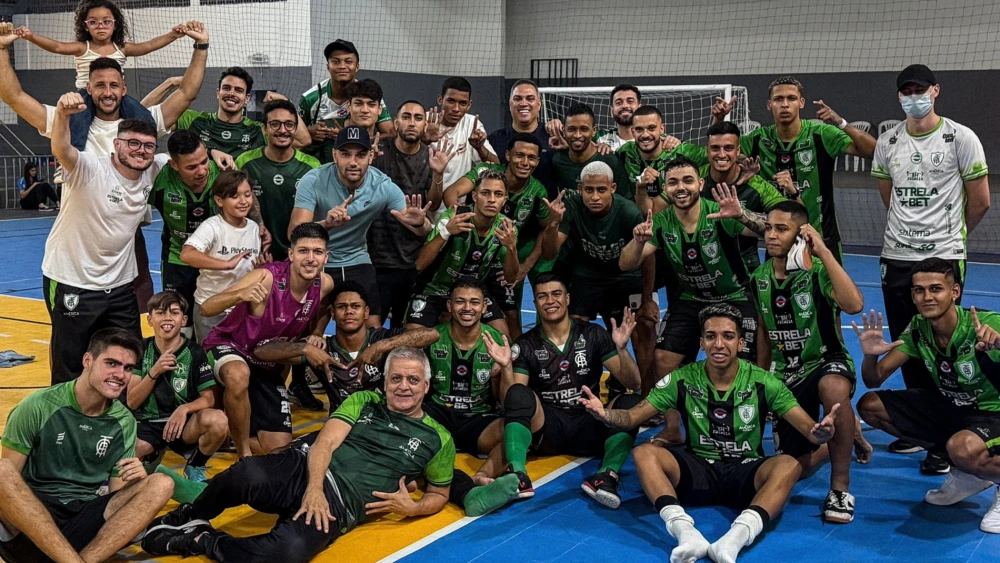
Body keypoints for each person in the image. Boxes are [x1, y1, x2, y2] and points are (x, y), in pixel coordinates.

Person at [140, 348, 458, 563]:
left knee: (287, 553)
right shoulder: (364, 400)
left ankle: (199, 541)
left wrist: (413, 508)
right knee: (244, 473)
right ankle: (188, 514)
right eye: (396, 378)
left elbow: (440, 492)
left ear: (426, 385)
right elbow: (325, 443)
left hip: (342, 505)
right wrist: (314, 489)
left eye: (413, 380)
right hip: (305, 470)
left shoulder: (439, 439)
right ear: (385, 382)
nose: (404, 386)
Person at [579, 304, 838, 563]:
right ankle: (685, 533)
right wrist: (605, 415)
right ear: (701, 342)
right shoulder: (682, 379)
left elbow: (810, 431)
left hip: (744, 471)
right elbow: (632, 417)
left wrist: (823, 434)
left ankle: (733, 540)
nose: (719, 344)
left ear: (740, 342)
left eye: (728, 336)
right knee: (644, 453)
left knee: (789, 465)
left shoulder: (764, 382)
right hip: (697, 469)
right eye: (711, 336)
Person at [871, 64, 991, 469]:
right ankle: (927, 428)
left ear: (935, 91)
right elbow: (891, 199)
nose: (913, 96)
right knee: (909, 342)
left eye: (920, 89)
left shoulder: (962, 137)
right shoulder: (887, 141)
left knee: (946, 338)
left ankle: (962, 424)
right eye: (906, 91)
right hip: (897, 256)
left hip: (943, 254)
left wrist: (949, 242)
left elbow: (981, 200)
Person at [0, 328, 175, 563]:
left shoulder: (124, 422)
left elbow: (116, 504)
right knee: (1, 471)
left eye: (128, 368)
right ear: (87, 360)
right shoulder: (38, 406)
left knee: (161, 483)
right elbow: (8, 488)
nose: (120, 374)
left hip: (81, 522)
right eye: (111, 363)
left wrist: (136, 482)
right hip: (31, 521)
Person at [855, 258, 1000, 533]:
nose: (927, 297)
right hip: (953, 407)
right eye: (919, 290)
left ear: (954, 291)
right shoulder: (919, 328)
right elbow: (873, 380)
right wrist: (869, 357)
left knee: (963, 447)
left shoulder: (984, 323)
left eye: (936, 289)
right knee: (871, 406)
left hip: (994, 413)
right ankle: (968, 474)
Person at [41, 92, 168, 384]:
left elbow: (188, 153)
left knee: (127, 356)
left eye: (148, 146)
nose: (141, 151)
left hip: (120, 286)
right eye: (133, 143)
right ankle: (67, 423)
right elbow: (62, 147)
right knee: (70, 363)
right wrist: (61, 113)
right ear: (117, 144)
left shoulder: (153, 169)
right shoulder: (90, 167)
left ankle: (119, 420)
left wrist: (214, 154)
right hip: (73, 279)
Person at [751, 201, 866, 523]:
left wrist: (824, 252)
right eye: (769, 228)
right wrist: (760, 378)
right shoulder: (758, 278)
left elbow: (855, 304)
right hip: (788, 373)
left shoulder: (819, 271)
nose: (771, 235)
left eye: (781, 229)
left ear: (801, 234)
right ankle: (842, 438)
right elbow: (763, 329)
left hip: (827, 360)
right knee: (794, 468)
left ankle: (840, 490)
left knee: (832, 388)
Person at [619, 157, 765, 392]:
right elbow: (626, 264)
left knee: (742, 363)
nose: (681, 188)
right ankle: (674, 427)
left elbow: (771, 230)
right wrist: (637, 242)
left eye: (688, 180)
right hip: (691, 300)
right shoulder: (660, 222)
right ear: (665, 189)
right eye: (673, 183)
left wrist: (741, 215)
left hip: (734, 296)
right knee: (663, 360)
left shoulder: (721, 212)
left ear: (700, 184)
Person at [501, 273, 643, 507]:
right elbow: (512, 398)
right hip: (548, 429)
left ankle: (605, 477)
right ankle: (518, 475)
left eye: (556, 294)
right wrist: (507, 366)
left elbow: (634, 382)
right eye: (542, 296)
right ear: (535, 303)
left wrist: (622, 349)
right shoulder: (525, 344)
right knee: (518, 392)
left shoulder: (593, 334)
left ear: (567, 299)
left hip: (590, 422)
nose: (550, 301)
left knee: (631, 403)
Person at [201, 223, 335, 458]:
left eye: (317, 252)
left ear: (326, 257)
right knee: (238, 374)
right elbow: (206, 308)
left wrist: (316, 333)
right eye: (303, 251)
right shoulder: (266, 277)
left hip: (266, 357)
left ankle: (230, 433)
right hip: (231, 346)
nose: (311, 258)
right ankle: (244, 455)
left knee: (277, 447)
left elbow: (324, 309)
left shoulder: (324, 284)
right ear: (291, 254)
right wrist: (239, 294)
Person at [290, 125, 433, 329]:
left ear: (371, 156)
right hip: (318, 259)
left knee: (373, 324)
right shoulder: (313, 180)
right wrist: (326, 225)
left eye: (361, 155)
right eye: (346, 154)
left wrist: (421, 223)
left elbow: (422, 230)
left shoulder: (382, 185)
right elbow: (294, 232)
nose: (353, 162)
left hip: (356, 258)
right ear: (334, 155)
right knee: (308, 327)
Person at [728, 76, 876, 263]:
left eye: (791, 98)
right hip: (778, 241)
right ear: (769, 105)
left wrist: (840, 122)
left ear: (801, 103)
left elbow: (873, 151)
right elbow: (721, 153)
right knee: (778, 292)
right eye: (778, 99)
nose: (785, 104)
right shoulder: (758, 139)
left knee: (829, 293)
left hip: (821, 239)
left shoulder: (821, 135)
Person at [255, 281, 439, 412]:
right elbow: (262, 351)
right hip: (341, 427)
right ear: (332, 314)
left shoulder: (381, 338)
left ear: (366, 312)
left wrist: (382, 346)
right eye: (342, 307)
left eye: (355, 306)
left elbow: (432, 334)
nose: (349, 311)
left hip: (383, 422)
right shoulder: (321, 348)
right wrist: (304, 349)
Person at [444, 133, 551, 341]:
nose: (525, 162)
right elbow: (452, 192)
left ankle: (516, 365)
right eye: (520, 155)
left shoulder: (537, 191)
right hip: (467, 253)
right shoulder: (487, 173)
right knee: (449, 311)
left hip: (500, 260)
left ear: (537, 162)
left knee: (511, 317)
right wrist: (458, 216)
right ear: (508, 155)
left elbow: (546, 230)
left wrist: (524, 267)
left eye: (531, 158)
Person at [125, 292, 227, 483]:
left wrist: (184, 408)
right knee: (124, 453)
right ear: (149, 320)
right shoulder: (141, 349)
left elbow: (209, 399)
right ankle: (152, 454)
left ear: (184, 319)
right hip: (149, 423)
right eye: (160, 313)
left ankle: (195, 465)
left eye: (174, 313)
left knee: (218, 421)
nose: (167, 318)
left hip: (183, 424)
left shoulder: (195, 352)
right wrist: (154, 371)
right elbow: (132, 401)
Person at [369, 100, 456, 325]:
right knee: (372, 328)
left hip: (413, 258)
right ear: (395, 122)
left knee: (404, 328)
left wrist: (438, 175)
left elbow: (434, 205)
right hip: (377, 257)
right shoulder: (378, 152)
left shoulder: (430, 157)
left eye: (418, 118)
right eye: (406, 117)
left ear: (425, 125)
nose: (412, 122)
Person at [403, 170, 519, 337]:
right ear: (474, 196)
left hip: (473, 292)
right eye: (485, 193)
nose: (492, 199)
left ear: (504, 201)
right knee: (412, 338)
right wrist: (446, 232)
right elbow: (420, 264)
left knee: (503, 338)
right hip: (436, 290)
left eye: (498, 194)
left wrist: (511, 248)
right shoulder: (454, 217)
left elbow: (510, 278)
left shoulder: (506, 228)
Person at [421, 282, 512, 484]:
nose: (467, 308)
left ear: (485, 307)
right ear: (449, 306)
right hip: (438, 416)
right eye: (460, 301)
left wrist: (505, 369)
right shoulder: (433, 336)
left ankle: (482, 476)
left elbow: (506, 402)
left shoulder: (497, 340)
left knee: (515, 430)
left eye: (474, 302)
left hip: (478, 420)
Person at [16, 0, 186, 90]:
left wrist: (173, 35)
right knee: (80, 125)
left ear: (115, 24)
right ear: (86, 26)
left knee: (138, 115)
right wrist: (31, 36)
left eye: (106, 22)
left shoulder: (122, 48)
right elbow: (57, 47)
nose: (101, 26)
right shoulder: (83, 47)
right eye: (93, 22)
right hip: (87, 94)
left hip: (116, 94)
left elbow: (148, 46)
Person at [148, 130, 221, 336]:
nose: (201, 171)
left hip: (214, 260)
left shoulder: (222, 171)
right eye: (191, 167)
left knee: (212, 322)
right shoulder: (159, 178)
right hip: (177, 260)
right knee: (179, 321)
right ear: (174, 165)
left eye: (204, 161)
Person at [180, 170, 264, 341]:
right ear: (219, 200)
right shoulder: (212, 226)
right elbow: (187, 254)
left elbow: (249, 266)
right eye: (234, 196)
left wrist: (261, 267)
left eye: (247, 195)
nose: (243, 201)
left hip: (241, 309)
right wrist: (226, 264)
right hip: (212, 309)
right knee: (212, 360)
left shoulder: (253, 228)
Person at [236, 99, 321, 261]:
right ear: (264, 128)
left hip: (296, 257)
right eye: (275, 124)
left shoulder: (311, 166)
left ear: (295, 129)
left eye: (289, 124)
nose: (282, 130)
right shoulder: (244, 162)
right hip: (255, 253)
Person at [700, 121, 788, 272]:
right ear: (707, 150)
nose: (721, 154)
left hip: (744, 274)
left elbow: (787, 221)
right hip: (700, 272)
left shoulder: (757, 186)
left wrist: (741, 215)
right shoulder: (693, 180)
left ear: (737, 151)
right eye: (715, 148)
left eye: (728, 148)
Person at [177, 67, 309, 159]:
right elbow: (157, 119)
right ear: (218, 93)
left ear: (247, 99)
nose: (231, 94)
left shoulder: (258, 130)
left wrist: (285, 101)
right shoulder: (194, 119)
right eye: (226, 88)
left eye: (239, 90)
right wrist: (169, 83)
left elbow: (303, 141)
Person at [298, 39, 393, 163]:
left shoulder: (367, 94)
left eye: (348, 61)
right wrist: (308, 132)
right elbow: (295, 137)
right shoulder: (310, 98)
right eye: (335, 62)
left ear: (357, 66)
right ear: (328, 67)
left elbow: (390, 133)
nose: (342, 66)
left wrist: (351, 137)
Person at [618, 105, 708, 215]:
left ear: (661, 129)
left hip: (674, 222)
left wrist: (718, 119)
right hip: (636, 221)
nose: (645, 135)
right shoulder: (624, 152)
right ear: (632, 131)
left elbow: (718, 153)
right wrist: (602, 147)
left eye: (651, 128)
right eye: (639, 129)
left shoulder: (680, 151)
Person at [433, 76, 499, 200]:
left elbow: (496, 167)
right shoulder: (425, 121)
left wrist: (480, 148)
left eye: (462, 103)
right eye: (451, 101)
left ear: (469, 105)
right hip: (424, 206)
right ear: (440, 99)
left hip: (456, 208)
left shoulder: (472, 124)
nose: (456, 109)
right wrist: (424, 140)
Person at [548, 103, 633, 199]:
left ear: (594, 131)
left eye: (584, 129)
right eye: (571, 129)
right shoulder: (557, 160)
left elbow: (626, 200)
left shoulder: (610, 160)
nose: (577, 135)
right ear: (563, 131)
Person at [487, 79, 555, 190]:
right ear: (510, 105)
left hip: (546, 206)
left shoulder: (553, 136)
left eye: (530, 98)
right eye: (518, 99)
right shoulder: (495, 139)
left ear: (539, 104)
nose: (523, 103)